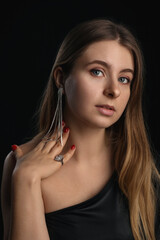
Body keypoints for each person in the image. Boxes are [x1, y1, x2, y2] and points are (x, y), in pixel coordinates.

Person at [1, 18, 160, 240]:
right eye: (97, 72)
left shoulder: (140, 167)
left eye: (124, 79)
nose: (114, 90)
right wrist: (26, 178)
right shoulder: (20, 162)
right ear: (61, 78)